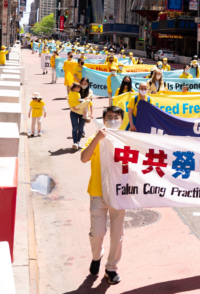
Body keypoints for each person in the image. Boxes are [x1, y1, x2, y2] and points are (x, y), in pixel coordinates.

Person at [80, 106, 126, 284]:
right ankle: (96, 256)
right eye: (109, 117)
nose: (113, 119)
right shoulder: (95, 138)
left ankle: (111, 268)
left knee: (117, 235)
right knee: (97, 233)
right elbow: (84, 158)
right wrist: (97, 138)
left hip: (119, 195)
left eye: (116, 117)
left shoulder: (126, 140)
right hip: (97, 193)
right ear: (103, 119)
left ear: (121, 120)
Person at [68, 82, 90, 149]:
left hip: (82, 113)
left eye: (79, 87)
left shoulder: (89, 91)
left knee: (80, 128)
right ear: (73, 88)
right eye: (77, 87)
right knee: (75, 128)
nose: (79, 88)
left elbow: (87, 102)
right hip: (73, 112)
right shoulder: (73, 93)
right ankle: (75, 143)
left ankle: (78, 142)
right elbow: (70, 101)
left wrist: (77, 106)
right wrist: (73, 107)